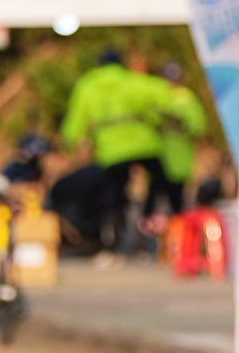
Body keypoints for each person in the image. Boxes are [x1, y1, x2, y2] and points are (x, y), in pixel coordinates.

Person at [61, 49, 170, 251]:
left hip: (112, 150)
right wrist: (157, 119)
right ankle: (147, 220)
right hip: (144, 143)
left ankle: (116, 233)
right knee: (158, 180)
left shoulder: (88, 85)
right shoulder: (133, 80)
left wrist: (69, 140)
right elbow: (166, 95)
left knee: (115, 192)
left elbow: (76, 118)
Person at [154, 61, 206, 222]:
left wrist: (178, 124)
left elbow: (198, 127)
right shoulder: (156, 95)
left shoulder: (186, 98)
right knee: (160, 201)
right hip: (160, 157)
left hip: (177, 160)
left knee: (174, 201)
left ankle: (178, 230)